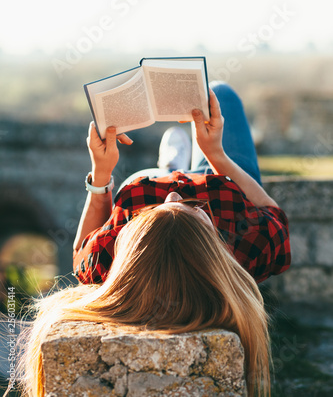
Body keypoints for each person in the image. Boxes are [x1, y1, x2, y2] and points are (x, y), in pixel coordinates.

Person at [11, 82, 290, 397]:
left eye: (154, 211)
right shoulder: (247, 241)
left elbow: (82, 253)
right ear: (214, 243)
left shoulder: (116, 258)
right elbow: (273, 212)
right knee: (221, 93)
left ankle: (167, 166)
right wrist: (217, 154)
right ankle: (178, 164)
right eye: (192, 209)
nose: (174, 193)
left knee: (199, 118)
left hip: (144, 183)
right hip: (221, 182)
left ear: (131, 245)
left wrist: (101, 174)